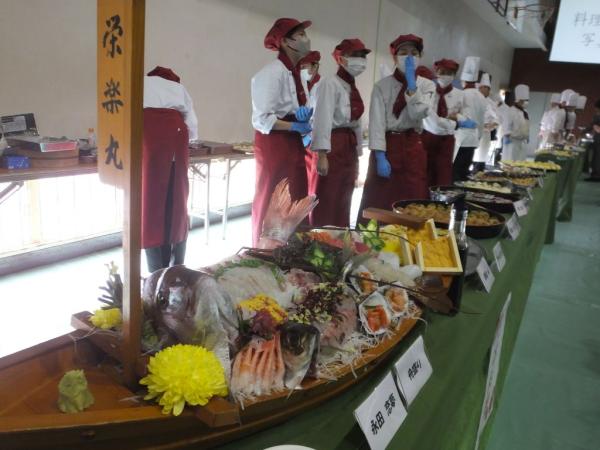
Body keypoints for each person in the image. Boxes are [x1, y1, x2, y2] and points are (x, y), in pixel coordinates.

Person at [356, 34, 435, 223]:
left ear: (420, 56)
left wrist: (412, 87)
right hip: (387, 144)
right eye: (403, 53)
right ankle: (374, 235)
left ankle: (410, 237)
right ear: (394, 57)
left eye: (414, 53)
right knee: (380, 197)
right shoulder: (382, 86)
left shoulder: (427, 85)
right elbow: (377, 123)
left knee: (412, 195)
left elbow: (418, 113)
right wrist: (380, 155)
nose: (409, 57)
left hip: (412, 143)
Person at [251, 18, 313, 245]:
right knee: (273, 198)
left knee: (295, 195)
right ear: (286, 42)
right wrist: (294, 125)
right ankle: (266, 250)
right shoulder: (271, 73)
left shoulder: (295, 73)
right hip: (275, 144)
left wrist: (302, 120)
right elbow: (261, 119)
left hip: (292, 142)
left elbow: (295, 107)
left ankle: (291, 250)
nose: (306, 40)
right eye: (301, 35)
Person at [142, 66, 198, 273]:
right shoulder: (178, 88)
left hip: (146, 137)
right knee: (178, 201)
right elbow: (192, 126)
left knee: (149, 201)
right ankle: (177, 266)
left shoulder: (140, 84)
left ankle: (155, 269)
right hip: (175, 137)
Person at [308, 39, 370, 227]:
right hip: (332, 143)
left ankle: (340, 236)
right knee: (328, 195)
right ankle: (320, 236)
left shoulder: (351, 86)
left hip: (348, 146)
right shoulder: (329, 83)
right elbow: (322, 118)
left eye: (362, 56)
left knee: (344, 196)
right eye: (355, 55)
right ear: (341, 59)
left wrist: (358, 154)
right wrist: (322, 155)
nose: (360, 60)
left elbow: (356, 122)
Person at [421, 58, 470, 187]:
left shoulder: (460, 95)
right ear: (436, 72)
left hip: (446, 139)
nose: (445, 76)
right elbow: (426, 115)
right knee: (424, 171)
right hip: (426, 136)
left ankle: (440, 198)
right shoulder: (428, 91)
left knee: (443, 173)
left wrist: (458, 117)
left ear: (454, 75)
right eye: (442, 72)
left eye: (449, 73)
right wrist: (450, 121)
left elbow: (465, 117)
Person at [453, 56, 485, 181]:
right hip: (473, 139)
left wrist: (461, 120)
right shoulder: (481, 97)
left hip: (460, 139)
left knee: (455, 172)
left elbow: (453, 114)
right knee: (464, 172)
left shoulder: (461, 94)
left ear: (463, 81)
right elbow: (481, 121)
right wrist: (478, 137)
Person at [472, 73, 498, 172]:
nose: (487, 90)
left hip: (485, 133)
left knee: (481, 157)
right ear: (480, 88)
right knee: (470, 155)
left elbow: (498, 118)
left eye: (488, 88)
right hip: (473, 131)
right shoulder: (473, 99)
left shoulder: (491, 103)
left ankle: (479, 173)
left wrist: (492, 125)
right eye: (485, 88)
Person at [502, 84, 530, 161]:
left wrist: (527, 136)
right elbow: (506, 126)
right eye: (524, 100)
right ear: (518, 100)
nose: (526, 102)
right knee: (510, 163)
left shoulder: (525, 112)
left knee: (520, 164)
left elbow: (526, 126)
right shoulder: (510, 111)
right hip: (512, 142)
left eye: (527, 100)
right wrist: (507, 136)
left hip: (522, 142)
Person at [585, 99, 600, 182]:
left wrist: (583, 132)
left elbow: (591, 126)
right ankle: (596, 174)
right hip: (597, 138)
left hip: (598, 140)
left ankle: (596, 175)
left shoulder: (597, 116)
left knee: (596, 157)